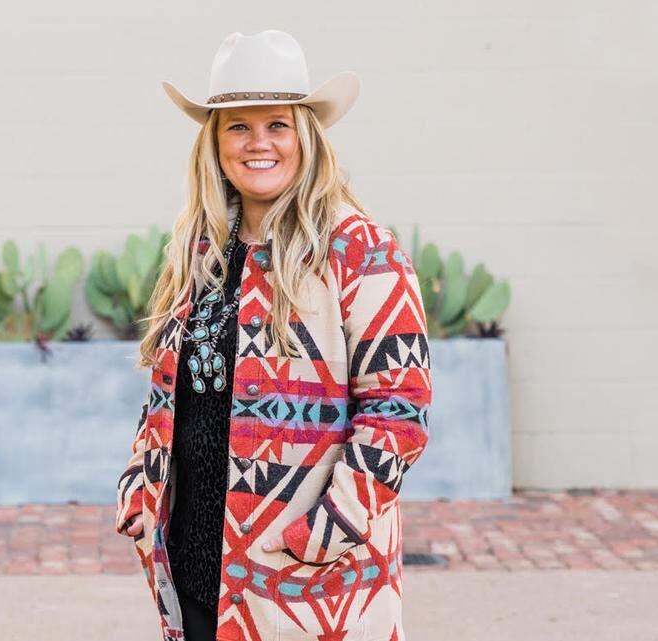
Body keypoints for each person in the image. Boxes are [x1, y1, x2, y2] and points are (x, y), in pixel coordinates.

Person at [115, 30, 432, 641]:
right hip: (198, 559)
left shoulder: (360, 251)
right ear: (214, 142)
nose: (258, 143)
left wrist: (325, 529)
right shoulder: (200, 249)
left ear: (305, 137)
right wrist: (140, 483)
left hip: (306, 579)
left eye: (276, 126)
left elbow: (400, 411)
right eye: (237, 126)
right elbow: (171, 390)